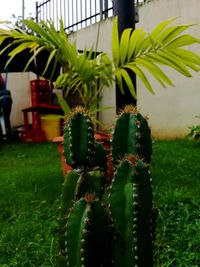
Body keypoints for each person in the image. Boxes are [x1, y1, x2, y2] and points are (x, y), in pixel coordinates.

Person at [0, 74, 12, 139]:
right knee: (6, 118)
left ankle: (4, 134)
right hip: (8, 100)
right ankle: (8, 134)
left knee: (3, 118)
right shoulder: (7, 90)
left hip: (3, 100)